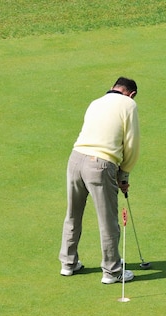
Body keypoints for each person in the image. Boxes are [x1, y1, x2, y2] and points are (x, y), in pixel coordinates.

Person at [59, 77, 140, 283]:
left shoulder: (96, 102)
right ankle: (112, 271)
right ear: (131, 94)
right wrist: (124, 174)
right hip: (100, 164)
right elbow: (131, 144)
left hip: (75, 159)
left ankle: (68, 264)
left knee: (73, 214)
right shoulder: (129, 104)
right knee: (108, 220)